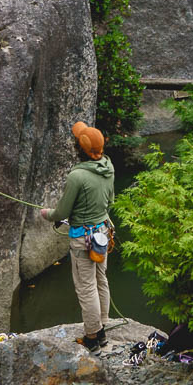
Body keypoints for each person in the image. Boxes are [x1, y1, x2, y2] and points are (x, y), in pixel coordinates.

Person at [36, 121, 116, 351]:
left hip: (83, 238)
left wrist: (47, 214)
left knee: (86, 286)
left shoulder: (77, 176)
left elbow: (62, 212)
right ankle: (102, 327)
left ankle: (93, 336)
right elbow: (109, 202)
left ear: (79, 148)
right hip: (102, 232)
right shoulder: (108, 168)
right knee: (102, 279)